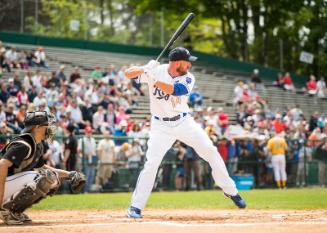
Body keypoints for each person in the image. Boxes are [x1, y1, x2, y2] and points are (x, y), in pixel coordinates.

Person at [123, 47, 246, 218]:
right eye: (187, 61)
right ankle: (136, 206)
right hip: (160, 126)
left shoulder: (188, 77)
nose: (189, 65)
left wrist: (153, 79)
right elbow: (128, 74)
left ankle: (230, 190)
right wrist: (145, 68)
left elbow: (176, 90)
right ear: (178, 62)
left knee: (210, 151)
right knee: (151, 163)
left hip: (183, 122)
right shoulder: (156, 70)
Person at [0, 111, 85, 225]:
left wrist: (70, 174)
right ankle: (6, 211)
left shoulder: (37, 144)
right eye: (47, 125)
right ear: (37, 127)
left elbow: (42, 167)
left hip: (8, 183)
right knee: (43, 177)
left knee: (52, 178)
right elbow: (2, 165)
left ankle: (15, 211)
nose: (50, 128)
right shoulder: (24, 144)